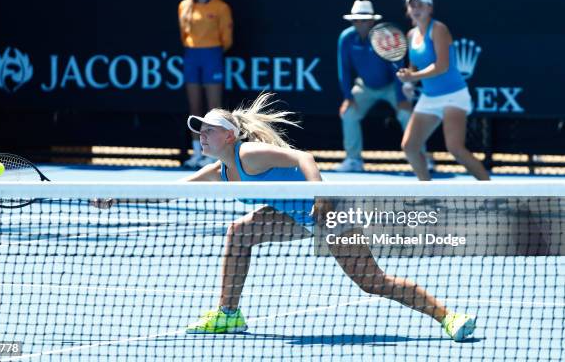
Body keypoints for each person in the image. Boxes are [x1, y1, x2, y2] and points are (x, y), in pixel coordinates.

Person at [96, 93, 476, 341]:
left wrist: (321, 196)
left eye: (209, 131)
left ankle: (448, 317)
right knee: (240, 232)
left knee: (373, 283)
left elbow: (303, 157)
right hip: (296, 216)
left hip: (332, 213)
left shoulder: (248, 155)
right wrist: (117, 197)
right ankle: (228, 313)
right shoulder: (223, 170)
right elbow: (173, 189)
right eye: (200, 133)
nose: (202, 137)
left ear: (229, 137)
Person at [397, 0, 490, 181]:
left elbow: (442, 66)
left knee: (455, 149)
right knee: (410, 146)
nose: (415, 9)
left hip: (453, 96)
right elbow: (414, 65)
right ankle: (427, 193)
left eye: (420, 4)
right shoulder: (410, 35)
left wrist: (413, 77)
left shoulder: (439, 29)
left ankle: (494, 193)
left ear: (430, 8)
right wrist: (409, 80)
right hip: (429, 98)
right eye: (411, 5)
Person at [335, 0, 432, 172]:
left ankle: (421, 158)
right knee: (348, 113)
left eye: (364, 20)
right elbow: (344, 69)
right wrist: (348, 98)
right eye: (356, 20)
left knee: (406, 114)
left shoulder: (386, 38)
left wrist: (401, 98)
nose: (360, 24)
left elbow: (397, 68)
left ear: (372, 21)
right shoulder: (346, 38)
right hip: (364, 86)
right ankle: (353, 160)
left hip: (392, 86)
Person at [178, 0, 233, 168]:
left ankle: (213, 154)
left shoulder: (221, 7)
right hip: (192, 56)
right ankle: (196, 153)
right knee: (195, 108)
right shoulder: (184, 6)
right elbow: (184, 35)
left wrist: (211, 49)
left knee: (213, 110)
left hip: (212, 55)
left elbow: (227, 39)